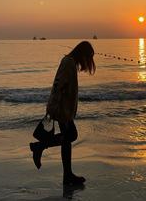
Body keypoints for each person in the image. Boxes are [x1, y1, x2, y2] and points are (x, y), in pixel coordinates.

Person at [30, 41, 96, 185]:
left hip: (64, 109)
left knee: (68, 137)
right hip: (61, 109)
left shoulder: (70, 62)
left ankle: (67, 175)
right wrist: (53, 108)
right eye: (88, 57)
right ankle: (39, 147)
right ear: (82, 54)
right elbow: (58, 85)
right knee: (70, 136)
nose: (87, 62)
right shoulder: (68, 62)